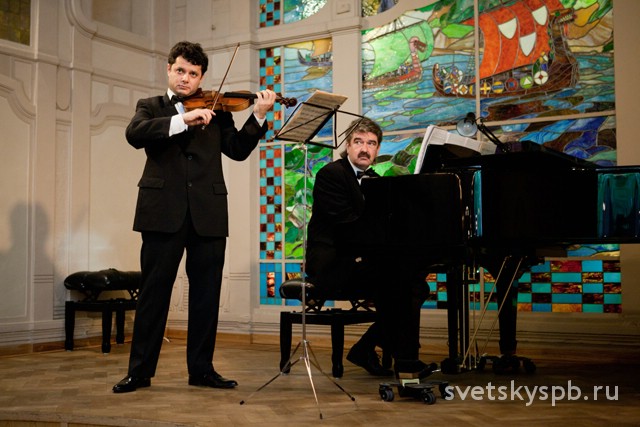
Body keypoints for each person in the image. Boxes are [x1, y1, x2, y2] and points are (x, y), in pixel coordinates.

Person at [113, 41, 276, 393]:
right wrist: (182, 119)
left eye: (193, 73)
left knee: (206, 295)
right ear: (169, 69)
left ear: (202, 77)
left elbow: (237, 151)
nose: (186, 78)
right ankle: (139, 372)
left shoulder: (219, 110)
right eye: (180, 71)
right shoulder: (150, 107)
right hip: (161, 212)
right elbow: (134, 134)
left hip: (208, 213)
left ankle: (201, 370)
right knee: (154, 294)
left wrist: (259, 116)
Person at [305, 117, 430, 378]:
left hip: (364, 258)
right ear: (348, 146)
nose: (365, 149)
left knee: (414, 284)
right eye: (358, 142)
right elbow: (345, 224)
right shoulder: (331, 174)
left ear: (377, 148)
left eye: (371, 143)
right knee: (403, 283)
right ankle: (401, 359)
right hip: (334, 262)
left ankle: (380, 352)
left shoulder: (375, 179)